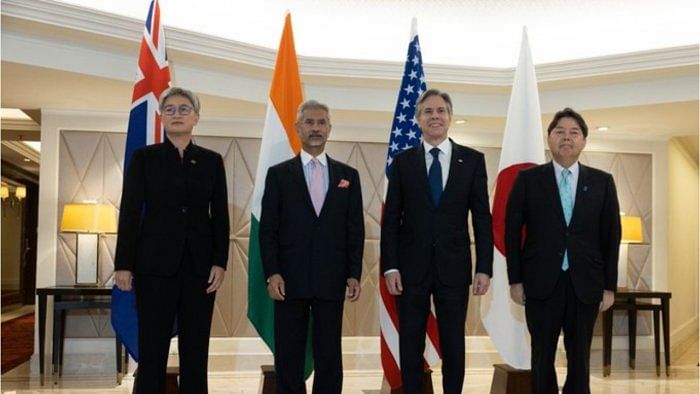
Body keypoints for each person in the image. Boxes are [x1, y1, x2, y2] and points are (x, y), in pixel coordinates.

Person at [114, 87, 230, 394]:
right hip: (153, 267)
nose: (177, 114)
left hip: (200, 270)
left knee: (196, 351)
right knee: (152, 350)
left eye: (183, 109)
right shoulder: (145, 158)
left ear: (196, 118)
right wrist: (123, 264)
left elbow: (219, 215)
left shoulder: (212, 161)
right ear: (161, 117)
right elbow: (129, 212)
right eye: (170, 109)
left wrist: (221, 261)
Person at [381, 89, 494, 394]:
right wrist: (390, 267)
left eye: (441, 111)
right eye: (428, 111)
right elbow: (391, 219)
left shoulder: (471, 160)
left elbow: (482, 218)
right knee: (411, 342)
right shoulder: (403, 162)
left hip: (455, 270)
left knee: (454, 342)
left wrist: (484, 267)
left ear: (450, 117)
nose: (435, 116)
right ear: (418, 119)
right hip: (410, 270)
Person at [505, 107, 621, 393]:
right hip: (541, 282)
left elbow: (611, 236)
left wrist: (609, 286)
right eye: (559, 132)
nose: (566, 138)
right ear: (549, 139)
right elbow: (511, 233)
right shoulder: (528, 180)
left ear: (583, 141)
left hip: (585, 283)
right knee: (541, 355)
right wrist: (515, 280)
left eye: (574, 133)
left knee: (580, 356)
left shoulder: (602, 182)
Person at [259, 99, 364, 394]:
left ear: (329, 128)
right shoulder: (279, 174)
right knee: (289, 354)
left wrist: (354, 273)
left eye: (321, 123)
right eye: (309, 122)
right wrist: (272, 273)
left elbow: (355, 230)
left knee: (330, 354)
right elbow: (268, 230)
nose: (315, 128)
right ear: (298, 128)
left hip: (332, 280)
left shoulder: (348, 176)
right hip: (288, 281)